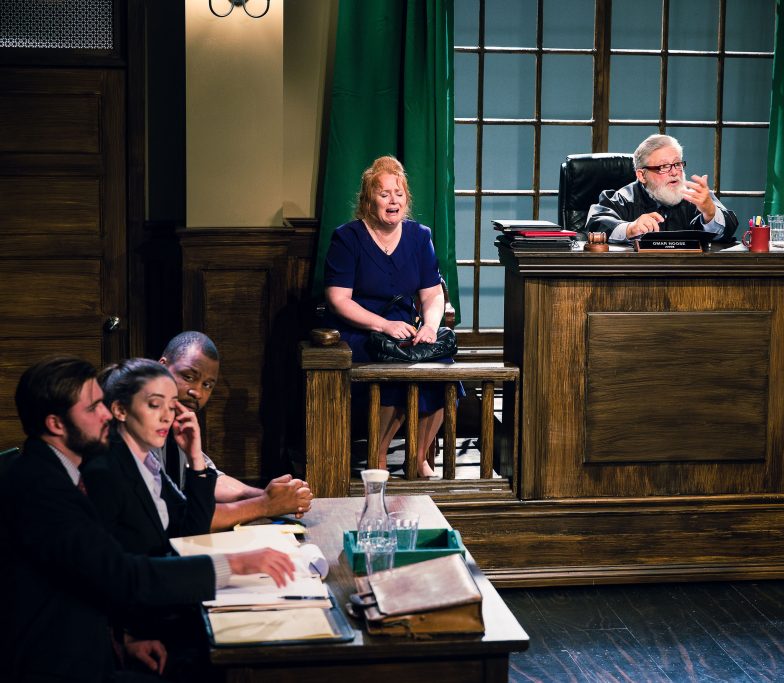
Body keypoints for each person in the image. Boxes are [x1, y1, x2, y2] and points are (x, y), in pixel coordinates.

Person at [1, 356, 295, 682]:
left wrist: (121, 641)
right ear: (56, 424)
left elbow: (88, 572)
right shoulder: (45, 487)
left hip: (96, 643)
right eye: (93, 408)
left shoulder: (52, 472)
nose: (105, 414)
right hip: (60, 665)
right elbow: (120, 574)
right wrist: (235, 565)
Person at [323, 155, 462, 478]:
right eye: (384, 193)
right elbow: (337, 299)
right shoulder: (348, 237)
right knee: (396, 372)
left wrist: (429, 326)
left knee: (444, 373)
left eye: (398, 193)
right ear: (368, 199)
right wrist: (383, 324)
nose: (392, 200)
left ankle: (416, 457)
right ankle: (379, 455)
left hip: (407, 331)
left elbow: (432, 293)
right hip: (361, 330)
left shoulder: (419, 236)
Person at [156, 331, 314, 530]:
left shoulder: (179, 423)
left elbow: (211, 479)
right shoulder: (144, 426)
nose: (197, 392)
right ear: (161, 367)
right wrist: (265, 504)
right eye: (188, 377)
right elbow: (184, 518)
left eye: (207, 385)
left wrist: (275, 496)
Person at [82, 358, 216, 558]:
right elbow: (108, 567)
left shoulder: (147, 463)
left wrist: (195, 457)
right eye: (155, 405)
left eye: (172, 407)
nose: (167, 417)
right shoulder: (103, 471)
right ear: (120, 410)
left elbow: (192, 536)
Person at [585, 133, 739, 242]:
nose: (674, 172)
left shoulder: (696, 197)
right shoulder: (623, 198)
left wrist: (711, 213)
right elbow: (595, 224)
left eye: (677, 164)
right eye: (664, 167)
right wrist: (630, 228)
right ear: (642, 175)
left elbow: (730, 228)